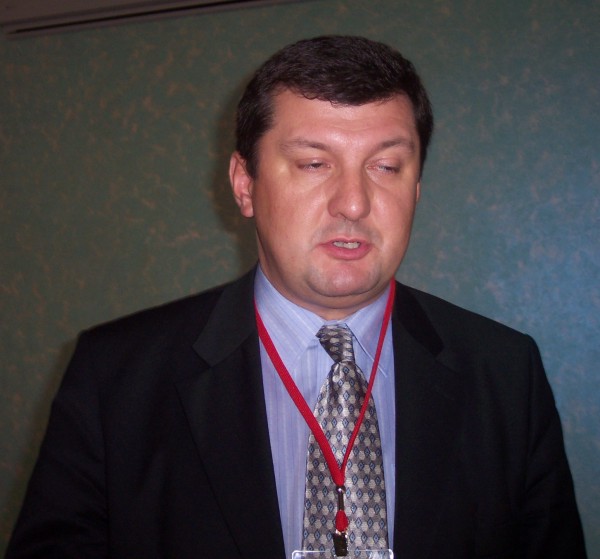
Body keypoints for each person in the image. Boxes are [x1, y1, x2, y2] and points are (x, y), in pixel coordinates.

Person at [6, 35, 586, 559]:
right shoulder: (116, 378)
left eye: (386, 166)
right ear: (245, 184)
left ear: (416, 187)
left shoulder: (505, 372)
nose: (353, 202)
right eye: (313, 163)